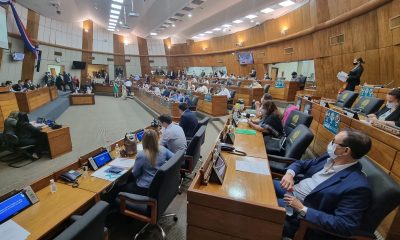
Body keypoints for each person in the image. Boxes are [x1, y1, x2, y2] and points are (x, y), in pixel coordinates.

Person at [275, 130, 372, 239]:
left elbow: (345, 225)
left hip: (300, 214)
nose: (330, 143)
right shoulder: (329, 158)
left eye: (334, 141)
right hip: (292, 189)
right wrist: (289, 174)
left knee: (262, 204)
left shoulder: (357, 186)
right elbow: (301, 163)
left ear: (345, 151)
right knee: (258, 182)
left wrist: (302, 209)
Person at [124, 129, 174, 195]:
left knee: (122, 187)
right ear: (156, 138)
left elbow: (135, 173)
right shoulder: (163, 149)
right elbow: (175, 158)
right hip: (160, 185)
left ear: (144, 140)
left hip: (144, 188)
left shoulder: (141, 155)